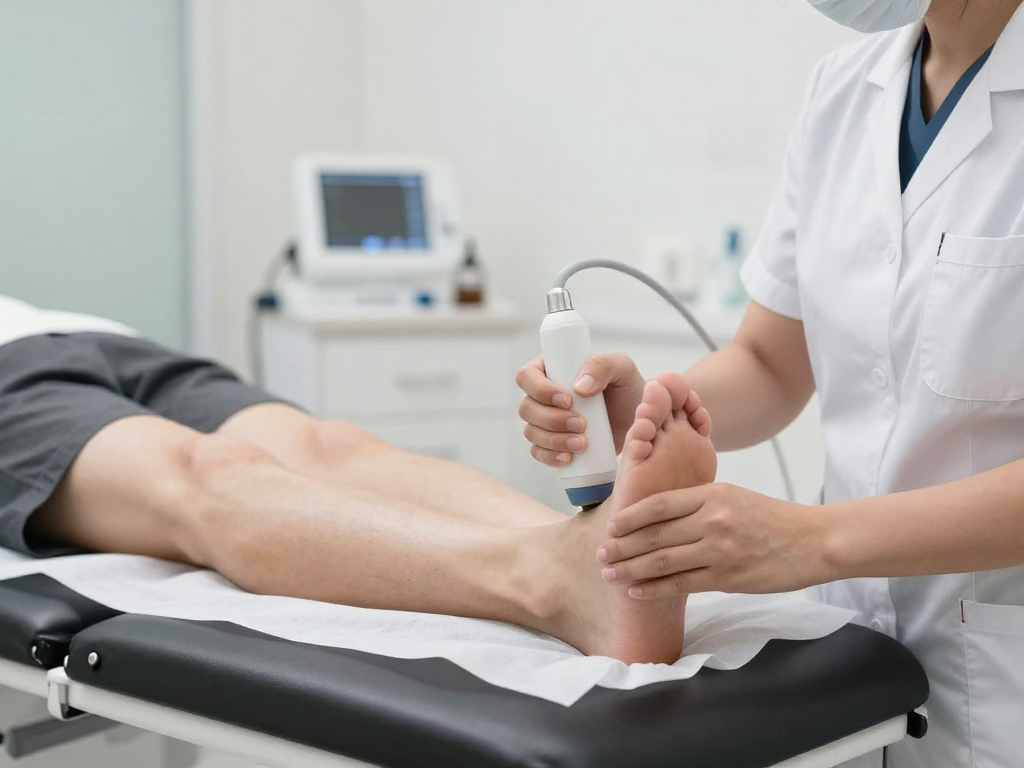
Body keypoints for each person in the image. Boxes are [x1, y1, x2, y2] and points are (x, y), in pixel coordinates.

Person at [517, 0, 1024, 765]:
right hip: (848, 665)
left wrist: (810, 542)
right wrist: (656, 407)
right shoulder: (842, 91)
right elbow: (770, 363)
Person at [0, 293, 717, 665]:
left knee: (331, 447)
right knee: (212, 474)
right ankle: (549, 581)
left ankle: (593, 546)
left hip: (101, 335)